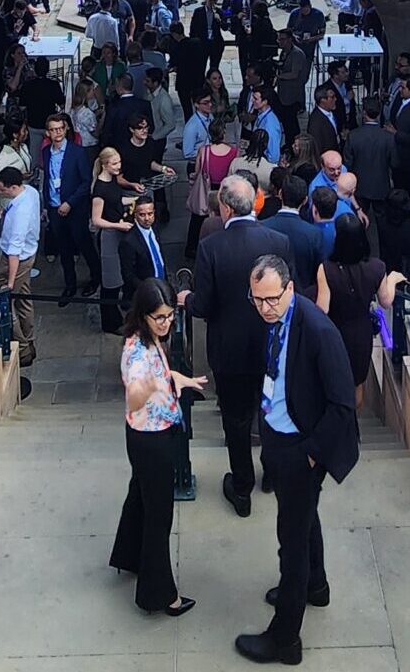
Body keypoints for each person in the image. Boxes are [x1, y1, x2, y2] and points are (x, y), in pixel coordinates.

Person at [233, 253, 359, 666]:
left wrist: (310, 456)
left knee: (292, 542)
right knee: (303, 519)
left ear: (290, 288)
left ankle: (285, 639)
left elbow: (343, 406)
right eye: (257, 299)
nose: (264, 308)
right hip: (278, 433)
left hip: (301, 449)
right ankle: (315, 586)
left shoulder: (319, 330)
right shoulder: (274, 321)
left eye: (272, 298)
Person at [179, 175, 292, 519]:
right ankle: (272, 475)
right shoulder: (279, 241)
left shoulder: (211, 247)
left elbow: (204, 305)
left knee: (237, 420)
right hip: (271, 348)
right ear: (255, 201)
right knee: (272, 412)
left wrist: (188, 299)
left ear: (225, 207)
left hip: (229, 353)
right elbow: (290, 296)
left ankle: (242, 487)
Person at [110, 277, 202, 616]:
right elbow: (135, 394)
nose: (167, 323)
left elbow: (158, 376)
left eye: (170, 316)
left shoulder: (146, 341)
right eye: (160, 318)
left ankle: (128, 556)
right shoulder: (136, 354)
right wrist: (151, 384)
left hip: (147, 435)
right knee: (159, 516)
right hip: (151, 440)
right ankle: (160, 594)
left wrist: (178, 379)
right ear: (143, 315)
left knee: (140, 497)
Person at [314, 211, 387, 395]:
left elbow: (322, 309)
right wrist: (393, 280)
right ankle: (352, 420)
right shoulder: (377, 267)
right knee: (357, 383)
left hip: (334, 332)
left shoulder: (326, 269)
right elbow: (386, 301)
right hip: (361, 333)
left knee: (333, 381)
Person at [39, 112, 99, 302]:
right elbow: (48, 178)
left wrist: (70, 203)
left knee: (84, 244)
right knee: (63, 248)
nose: (57, 132)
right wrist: (48, 204)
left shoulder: (77, 152)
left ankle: (96, 278)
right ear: (48, 133)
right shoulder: (46, 152)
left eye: (60, 129)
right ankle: (70, 285)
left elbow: (85, 181)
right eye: (53, 130)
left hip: (74, 208)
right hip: (55, 207)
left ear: (65, 129)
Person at [0, 164, 40, 371]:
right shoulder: (30, 192)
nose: (0, 192)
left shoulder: (20, 214)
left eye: (2, 189)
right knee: (24, 298)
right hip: (29, 254)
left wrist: (9, 282)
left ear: (12, 188)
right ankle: (29, 339)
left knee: (6, 303)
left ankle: (22, 348)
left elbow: (14, 251)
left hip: (17, 261)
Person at [90, 146, 141, 330]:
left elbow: (117, 200)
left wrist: (135, 198)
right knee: (110, 282)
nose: (118, 166)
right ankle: (110, 323)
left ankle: (116, 318)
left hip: (118, 232)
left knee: (118, 276)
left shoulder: (111, 181)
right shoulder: (99, 189)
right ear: (104, 165)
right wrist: (117, 225)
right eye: (114, 163)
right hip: (109, 237)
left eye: (119, 162)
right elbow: (96, 220)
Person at [186, 116, 239, 261]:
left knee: (197, 219)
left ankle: (192, 248)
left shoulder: (204, 151)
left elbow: (197, 172)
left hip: (207, 190)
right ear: (224, 133)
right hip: (224, 189)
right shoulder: (234, 152)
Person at [262, 172, 325, 290]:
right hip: (302, 293)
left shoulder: (263, 227)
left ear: (280, 194)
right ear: (305, 200)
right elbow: (319, 271)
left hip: (270, 292)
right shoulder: (314, 234)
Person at [120, 193, 169, 288]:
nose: (147, 218)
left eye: (150, 214)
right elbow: (128, 275)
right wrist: (147, 290)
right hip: (145, 291)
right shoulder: (128, 242)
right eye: (142, 215)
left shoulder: (154, 227)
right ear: (135, 215)